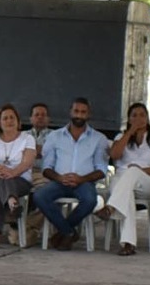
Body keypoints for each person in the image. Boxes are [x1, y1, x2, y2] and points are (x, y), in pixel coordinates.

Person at [32, 98, 109, 251]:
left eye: (83, 112)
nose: (79, 115)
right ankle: (68, 232)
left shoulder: (99, 138)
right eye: (76, 111)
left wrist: (82, 179)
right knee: (40, 196)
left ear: (88, 114)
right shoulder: (55, 137)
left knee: (90, 200)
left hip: (84, 182)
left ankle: (63, 232)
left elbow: (102, 169)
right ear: (70, 112)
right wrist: (60, 178)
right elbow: (46, 168)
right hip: (59, 181)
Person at [103, 103, 150, 256]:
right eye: (134, 115)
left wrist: (138, 170)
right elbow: (115, 156)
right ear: (129, 119)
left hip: (148, 181)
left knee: (131, 172)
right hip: (122, 183)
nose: (139, 118)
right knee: (126, 191)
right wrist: (130, 132)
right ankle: (128, 243)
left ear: (148, 118)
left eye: (142, 115)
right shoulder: (120, 137)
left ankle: (111, 207)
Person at [0, 103, 36, 250]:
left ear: (18, 121)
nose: (9, 121)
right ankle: (11, 201)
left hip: (19, 179)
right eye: (5, 118)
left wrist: (12, 173)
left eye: (12, 117)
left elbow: (27, 163)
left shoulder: (27, 138)